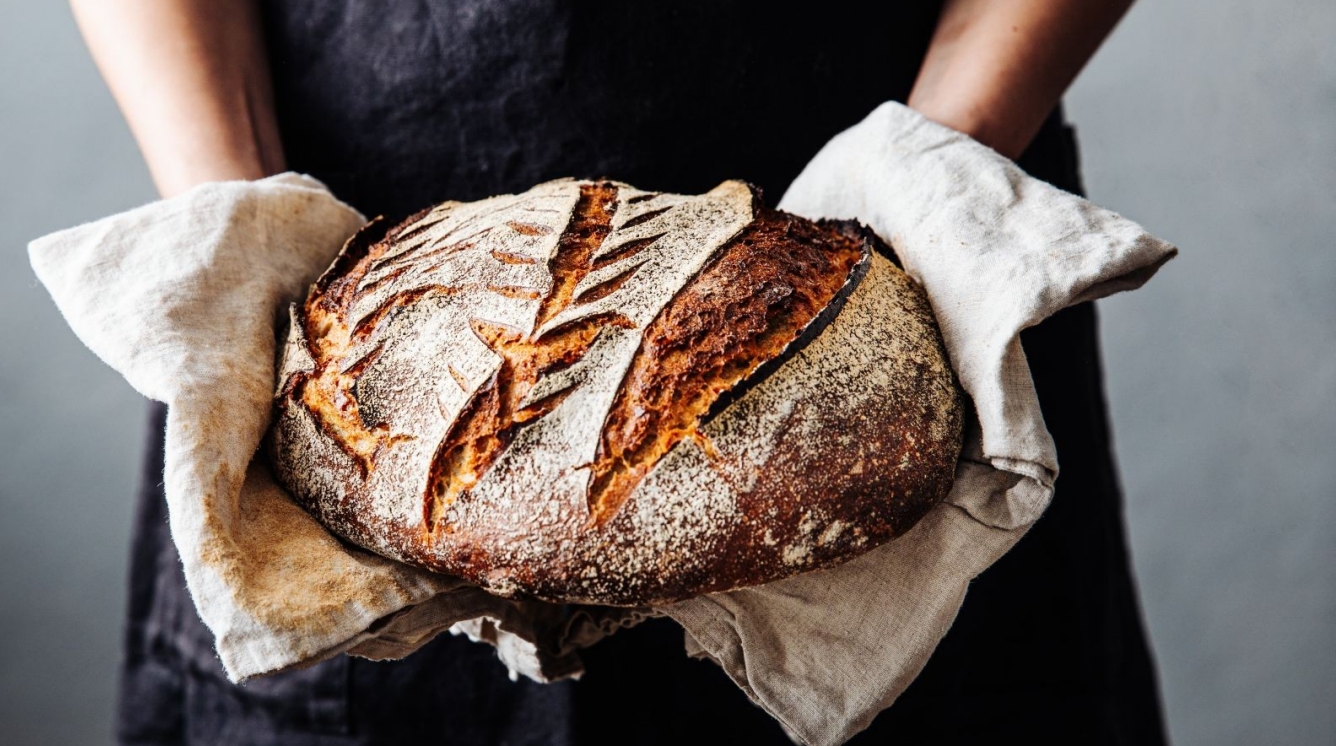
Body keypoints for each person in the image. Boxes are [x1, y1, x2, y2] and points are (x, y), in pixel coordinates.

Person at [70, 1, 1165, 743]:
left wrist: (941, 154)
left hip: (911, 244)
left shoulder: (910, 261)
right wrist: (246, 217)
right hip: (356, 326)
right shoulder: (315, 344)